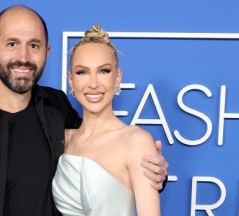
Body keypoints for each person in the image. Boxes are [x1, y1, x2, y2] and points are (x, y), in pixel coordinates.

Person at [0, 5, 167, 216]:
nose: (23, 56)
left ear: (47, 51)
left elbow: (103, 158)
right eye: (12, 44)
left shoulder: (57, 110)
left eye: (34, 45)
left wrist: (151, 172)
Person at [52, 24, 161, 216]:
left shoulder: (136, 141)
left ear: (117, 77)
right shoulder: (63, 139)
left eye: (103, 71)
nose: (93, 83)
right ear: (71, 80)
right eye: (82, 72)